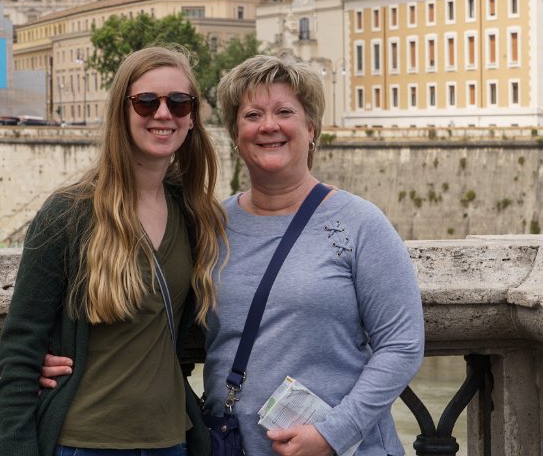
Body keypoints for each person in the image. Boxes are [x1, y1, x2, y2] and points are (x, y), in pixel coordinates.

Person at [41, 55, 425, 456]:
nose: (269, 125)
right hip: (233, 445)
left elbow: (402, 344)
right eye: (252, 115)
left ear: (311, 128)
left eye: (284, 112)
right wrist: (54, 356)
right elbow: (146, 311)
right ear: (236, 134)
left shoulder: (359, 223)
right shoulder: (208, 225)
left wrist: (333, 434)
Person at [0, 46, 226, 456]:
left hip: (172, 441)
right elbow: (20, 346)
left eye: (178, 102)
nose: (163, 114)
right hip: (83, 443)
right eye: (146, 102)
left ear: (192, 117)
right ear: (122, 111)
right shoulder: (69, 213)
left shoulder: (194, 213)